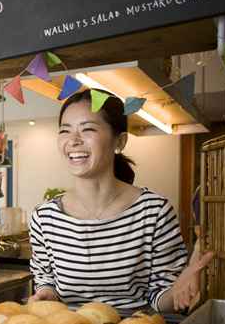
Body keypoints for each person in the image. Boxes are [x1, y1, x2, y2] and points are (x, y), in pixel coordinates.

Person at [29, 90, 213, 312]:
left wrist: (179, 290)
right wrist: (46, 294)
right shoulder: (44, 217)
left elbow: (161, 297)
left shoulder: (153, 211)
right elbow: (45, 280)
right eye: (65, 131)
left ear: (120, 141)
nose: (73, 140)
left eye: (87, 129)